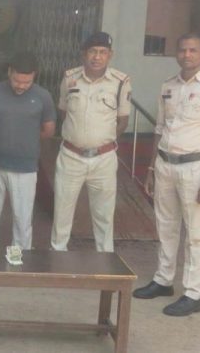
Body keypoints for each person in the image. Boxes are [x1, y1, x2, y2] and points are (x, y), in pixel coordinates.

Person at [132, 33, 200, 316]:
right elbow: (160, 128)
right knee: (166, 226)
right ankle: (163, 280)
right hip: (165, 164)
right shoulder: (169, 85)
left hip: (195, 167)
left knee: (196, 233)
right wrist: (151, 168)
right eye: (182, 50)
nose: (187, 55)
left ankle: (193, 293)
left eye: (193, 50)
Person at [0, 52, 55, 250]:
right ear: (9, 72)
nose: (21, 86)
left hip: (25, 169)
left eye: (27, 82)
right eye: (17, 81)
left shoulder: (43, 97)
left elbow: (48, 130)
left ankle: (19, 260)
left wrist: (26, 138)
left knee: (22, 221)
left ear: (35, 76)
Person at [51, 32, 132, 252]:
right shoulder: (70, 78)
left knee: (104, 214)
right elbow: (64, 112)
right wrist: (80, 137)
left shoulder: (120, 82)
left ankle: (105, 258)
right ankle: (57, 255)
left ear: (110, 55)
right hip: (71, 156)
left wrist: (100, 141)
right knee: (62, 211)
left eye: (102, 52)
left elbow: (123, 121)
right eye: (93, 52)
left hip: (103, 159)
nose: (97, 57)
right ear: (84, 54)